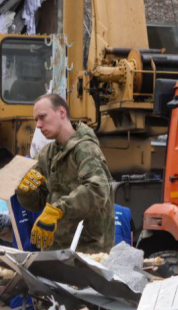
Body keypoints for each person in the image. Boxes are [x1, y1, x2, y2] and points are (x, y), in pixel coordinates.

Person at [15, 94, 114, 253]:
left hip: (86, 252)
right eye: (36, 120)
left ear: (61, 112)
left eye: (43, 117)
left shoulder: (85, 148)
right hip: (55, 249)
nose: (39, 125)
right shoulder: (47, 154)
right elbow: (37, 202)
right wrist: (24, 191)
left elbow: (97, 189)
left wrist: (58, 210)